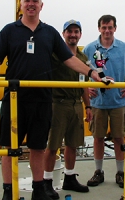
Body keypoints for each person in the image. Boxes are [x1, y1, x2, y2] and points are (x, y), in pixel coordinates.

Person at [0, 0, 102, 200]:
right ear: (21, 5)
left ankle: (39, 189)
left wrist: (92, 72)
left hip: (42, 98)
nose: (31, 4)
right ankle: (8, 192)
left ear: (41, 6)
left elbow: (69, 59)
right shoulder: (9, 31)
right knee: (10, 147)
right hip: (15, 97)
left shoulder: (50, 33)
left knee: (38, 146)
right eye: (27, 0)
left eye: (35, 1)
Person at [83, 14, 125, 189]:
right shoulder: (89, 48)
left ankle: (120, 172)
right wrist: (87, 88)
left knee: (119, 137)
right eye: (104, 27)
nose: (107, 31)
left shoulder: (123, 48)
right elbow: (81, 71)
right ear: (99, 29)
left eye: (110, 27)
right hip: (97, 103)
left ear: (115, 28)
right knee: (98, 138)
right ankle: (98, 172)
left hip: (118, 102)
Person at [43, 19, 92, 199]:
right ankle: (46, 181)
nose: (73, 35)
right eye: (69, 31)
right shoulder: (54, 54)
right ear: (63, 34)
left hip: (76, 104)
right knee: (53, 144)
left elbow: (84, 85)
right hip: (58, 104)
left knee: (73, 144)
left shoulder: (83, 59)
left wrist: (88, 106)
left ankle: (69, 177)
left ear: (80, 34)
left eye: (76, 31)